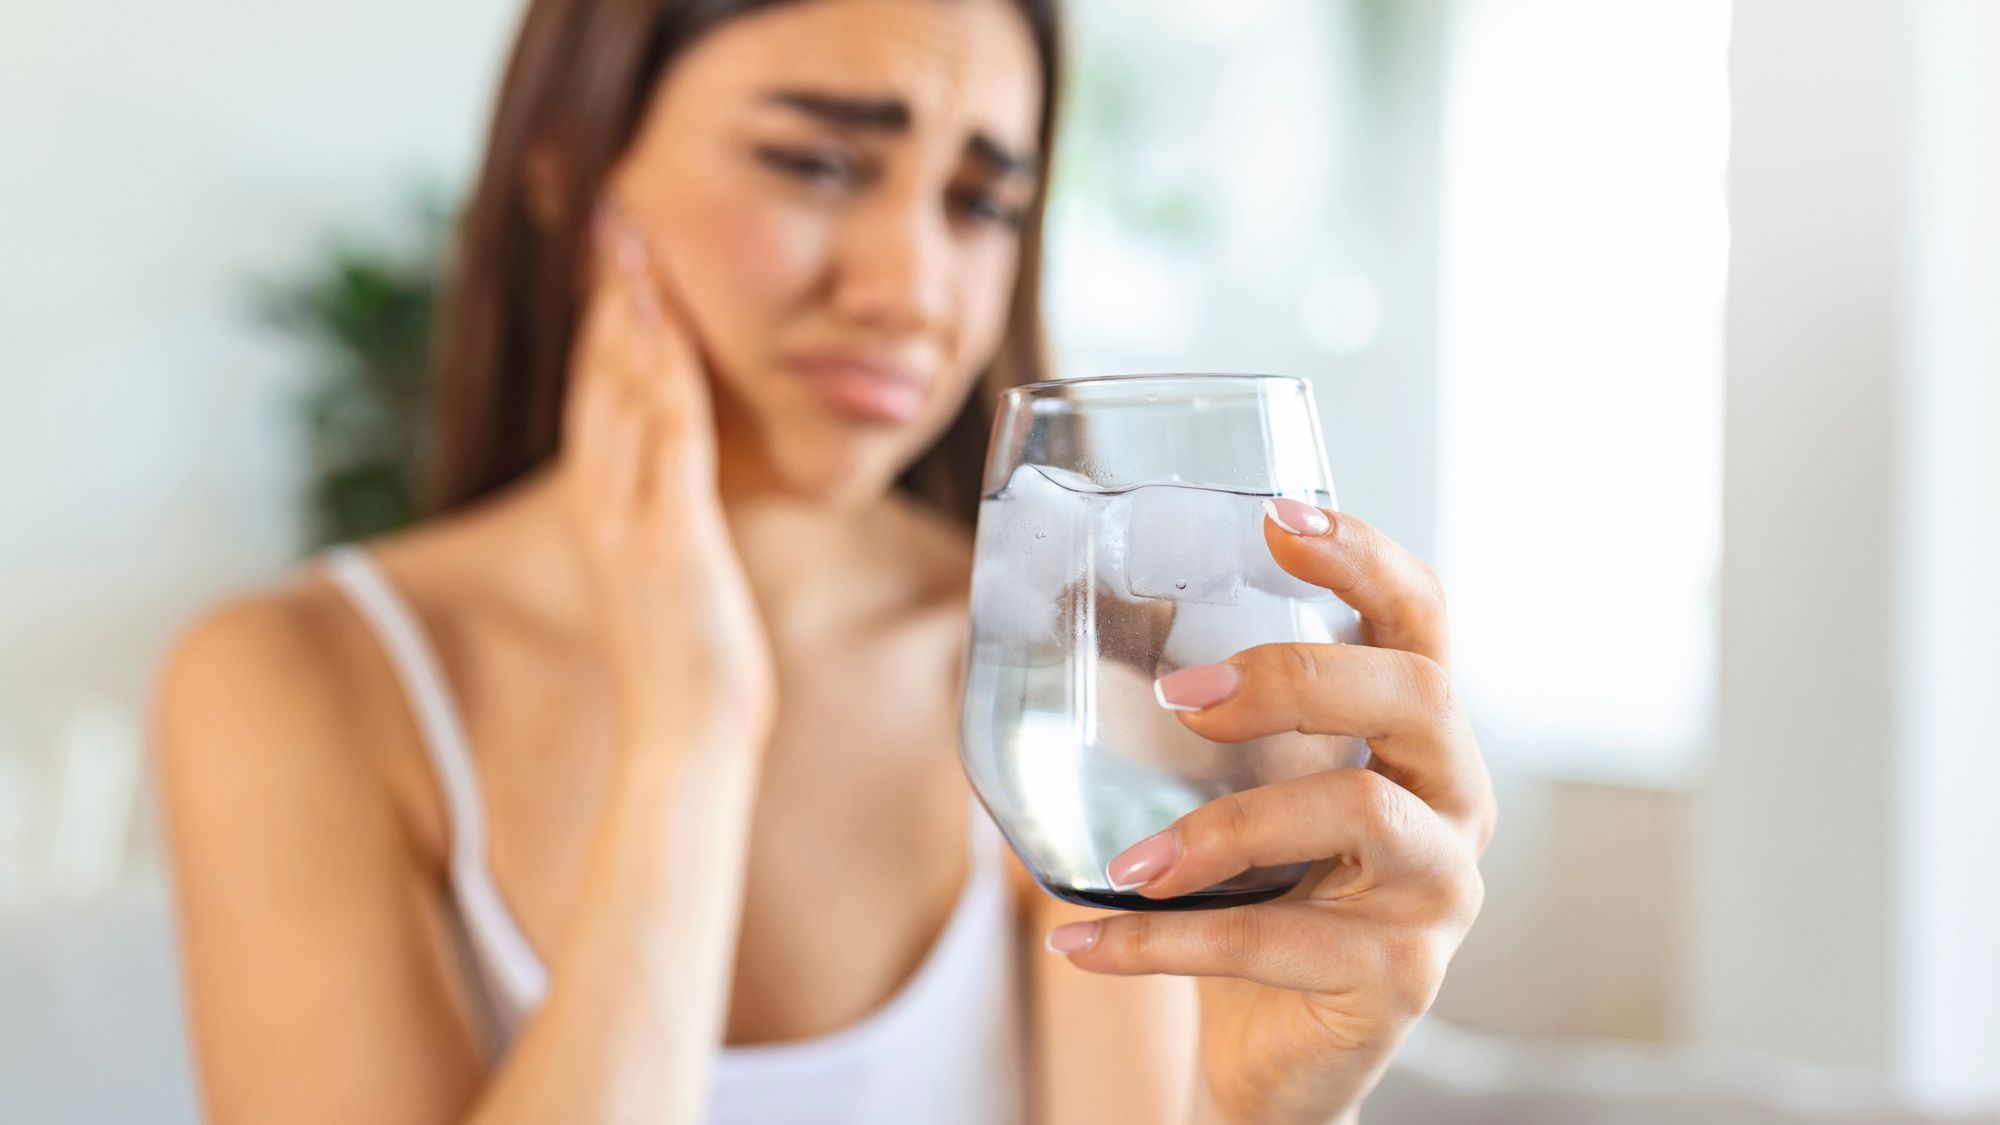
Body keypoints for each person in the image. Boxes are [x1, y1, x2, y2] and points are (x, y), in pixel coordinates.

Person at [151, 0, 1496, 1121]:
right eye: (820, 163)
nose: (913, 288)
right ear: (565, 165)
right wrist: (692, 733)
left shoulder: (1063, 676)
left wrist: (1265, 1106)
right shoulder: (299, 684)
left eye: (979, 200)